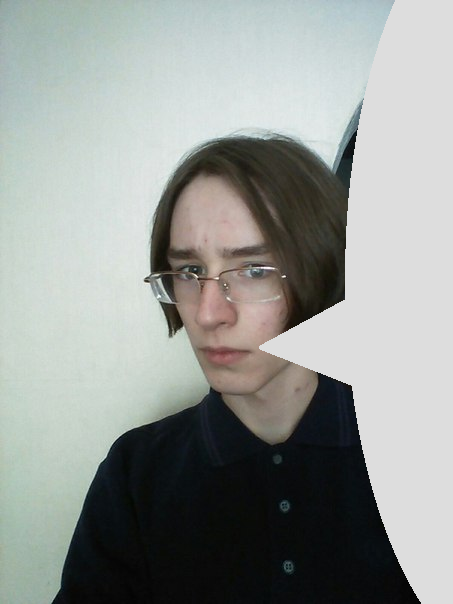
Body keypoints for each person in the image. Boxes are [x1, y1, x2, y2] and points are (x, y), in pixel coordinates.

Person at [52, 134, 418, 603]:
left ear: (325, 269)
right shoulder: (135, 475)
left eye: (254, 270)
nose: (208, 314)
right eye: (189, 273)